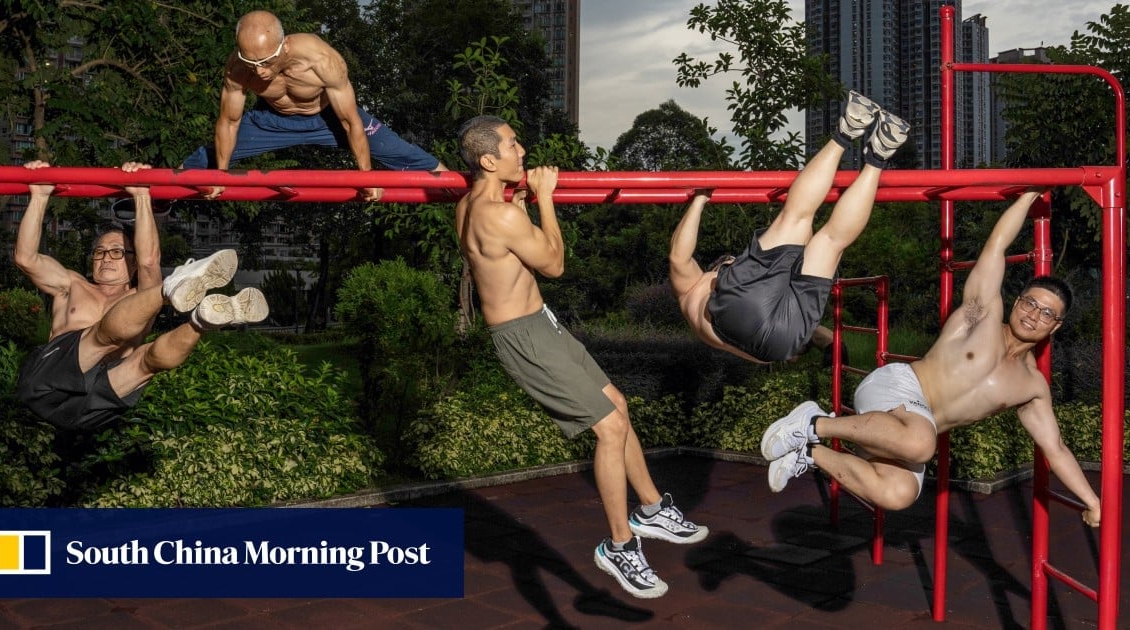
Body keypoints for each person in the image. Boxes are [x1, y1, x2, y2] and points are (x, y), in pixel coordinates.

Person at [456, 115, 708, 600]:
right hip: (525, 337)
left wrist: (525, 203)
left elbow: (500, 258)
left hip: (539, 325)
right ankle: (619, 544)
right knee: (610, 427)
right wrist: (546, 199)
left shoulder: (470, 204)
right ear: (489, 159)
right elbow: (553, 264)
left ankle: (652, 509)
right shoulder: (500, 214)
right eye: (512, 144)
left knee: (619, 405)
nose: (523, 149)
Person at [761, 189, 1101, 528]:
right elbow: (996, 247)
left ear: (1055, 326)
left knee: (899, 493)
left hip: (908, 433)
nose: (1033, 315)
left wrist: (1092, 501)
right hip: (896, 387)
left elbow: (1055, 449)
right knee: (923, 443)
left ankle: (807, 454)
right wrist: (1028, 198)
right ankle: (812, 423)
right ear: (1015, 303)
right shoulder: (980, 317)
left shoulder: (1031, 387)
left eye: (1046, 313)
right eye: (1029, 303)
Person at [14, 160, 270, 432]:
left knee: (147, 362)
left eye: (117, 252)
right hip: (46, 385)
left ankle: (204, 320)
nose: (106, 258)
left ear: (133, 263)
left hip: (87, 409)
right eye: (99, 252)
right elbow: (26, 257)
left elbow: (150, 261)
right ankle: (172, 288)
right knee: (106, 336)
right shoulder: (71, 285)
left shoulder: (140, 296)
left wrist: (141, 195)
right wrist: (39, 196)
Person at [669, 91, 910, 363]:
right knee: (795, 217)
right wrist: (700, 199)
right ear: (718, 268)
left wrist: (822, 343)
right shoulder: (694, 288)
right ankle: (848, 129)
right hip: (740, 316)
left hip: (778, 346)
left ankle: (878, 157)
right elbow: (679, 256)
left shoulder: (695, 301)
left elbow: (796, 347)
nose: (736, 260)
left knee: (831, 242)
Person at [181, 9, 447, 201]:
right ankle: (157, 204)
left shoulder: (322, 60)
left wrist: (367, 177)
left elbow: (350, 122)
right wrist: (220, 176)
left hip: (328, 118)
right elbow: (228, 122)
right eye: (251, 64)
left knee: (403, 153)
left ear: (284, 46)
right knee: (203, 161)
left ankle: (457, 189)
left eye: (266, 62)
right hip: (271, 120)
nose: (259, 72)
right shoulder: (237, 68)